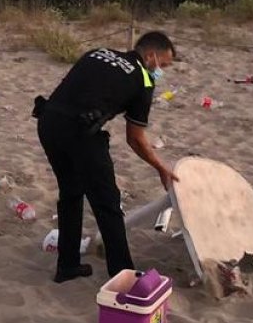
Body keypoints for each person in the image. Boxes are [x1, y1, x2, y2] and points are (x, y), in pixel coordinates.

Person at [33, 31, 179, 283]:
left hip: (48, 122)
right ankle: (123, 276)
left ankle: (67, 266)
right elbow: (135, 138)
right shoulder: (143, 79)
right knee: (108, 204)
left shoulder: (99, 52)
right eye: (163, 65)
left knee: (70, 193)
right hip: (80, 132)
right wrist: (161, 168)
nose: (161, 71)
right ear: (150, 55)